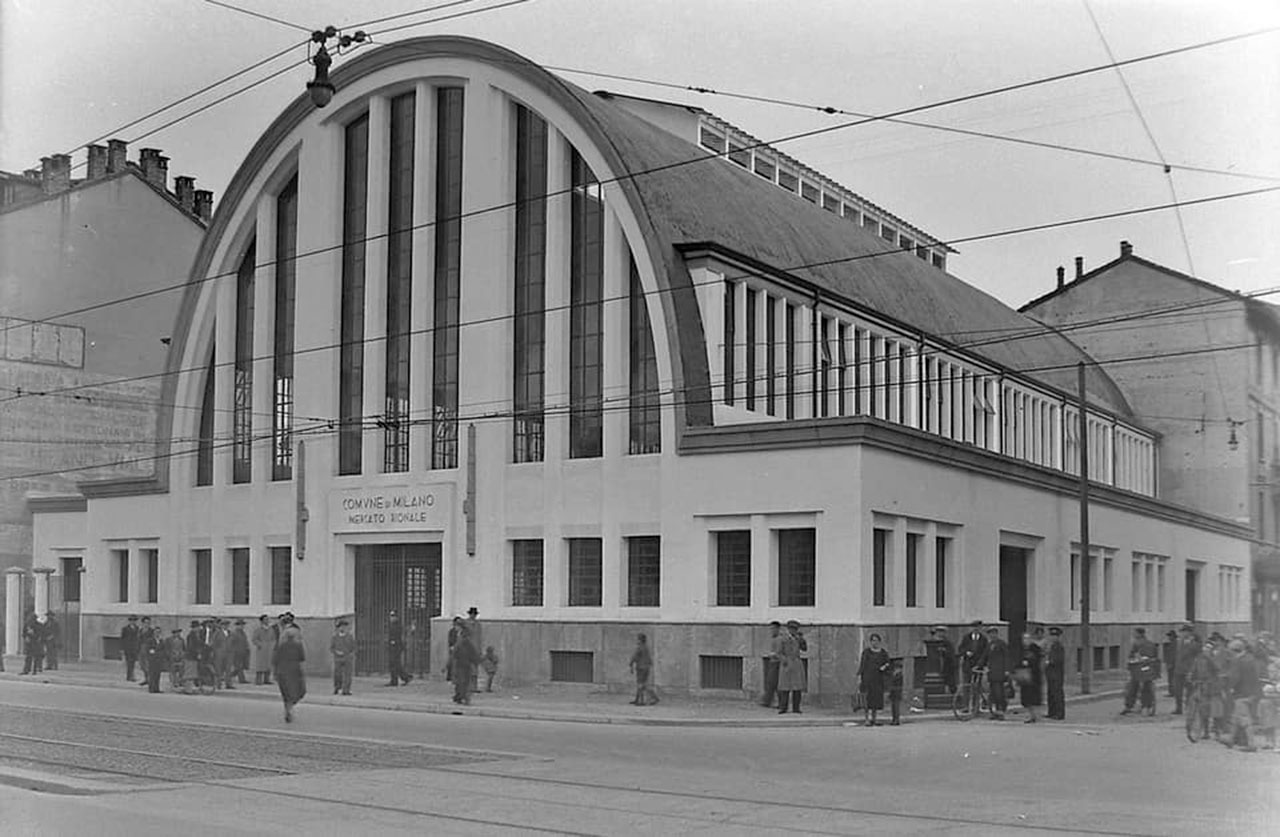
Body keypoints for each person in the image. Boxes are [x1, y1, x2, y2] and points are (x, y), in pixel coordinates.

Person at [1223, 638, 1263, 750]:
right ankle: (1231, 738)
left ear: (1235, 651)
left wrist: (1229, 687)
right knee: (1236, 717)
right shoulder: (1250, 658)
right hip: (1253, 691)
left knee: (1245, 719)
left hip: (1242, 693)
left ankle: (1251, 744)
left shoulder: (1238, 661)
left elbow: (1235, 677)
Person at [272, 619, 307, 723]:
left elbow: (275, 660)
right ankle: (290, 707)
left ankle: (288, 708)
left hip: (282, 672)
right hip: (294, 671)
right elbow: (302, 658)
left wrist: (275, 673)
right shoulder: (298, 645)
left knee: (286, 693)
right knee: (298, 691)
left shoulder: (281, 646)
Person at [1122, 626, 1159, 716]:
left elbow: (1134, 657)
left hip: (1142, 669)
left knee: (1138, 687)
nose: (1133, 635)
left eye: (1135, 633)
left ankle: (1135, 706)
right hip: (1143, 669)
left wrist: (1133, 661)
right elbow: (1154, 656)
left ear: (1139, 634)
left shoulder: (1142, 644)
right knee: (1139, 687)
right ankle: (1140, 706)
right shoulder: (1145, 643)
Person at [856, 633, 891, 726]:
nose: (874, 642)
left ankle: (874, 719)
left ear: (879, 642)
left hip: (878, 679)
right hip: (867, 679)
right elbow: (862, 665)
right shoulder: (866, 652)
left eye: (876, 640)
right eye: (872, 640)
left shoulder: (883, 653)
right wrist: (859, 676)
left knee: (876, 700)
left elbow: (888, 663)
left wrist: (885, 666)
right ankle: (867, 719)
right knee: (867, 700)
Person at [776, 620, 807, 714]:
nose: (793, 631)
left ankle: (796, 708)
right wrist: (783, 660)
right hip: (786, 663)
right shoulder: (783, 639)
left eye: (795, 629)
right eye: (792, 629)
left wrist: (802, 640)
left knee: (797, 687)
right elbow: (778, 652)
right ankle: (783, 707)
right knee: (785, 687)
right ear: (788, 629)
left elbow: (804, 649)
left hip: (796, 663)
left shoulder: (798, 638)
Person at [1172, 623, 1201, 715]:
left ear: (1189, 632)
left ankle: (1189, 707)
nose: (1182, 633)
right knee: (1177, 690)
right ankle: (1179, 708)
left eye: (1184, 631)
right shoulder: (1180, 642)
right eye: (1182, 632)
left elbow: (1197, 654)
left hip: (1190, 669)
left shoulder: (1195, 642)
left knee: (1190, 690)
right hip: (1179, 668)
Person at [1017, 629, 1043, 723]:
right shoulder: (1023, 649)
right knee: (1026, 698)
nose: (1025, 641)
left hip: (1034, 677)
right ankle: (1031, 715)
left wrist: (1028, 662)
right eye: (1024, 639)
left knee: (1033, 697)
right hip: (1025, 677)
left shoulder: (1035, 648)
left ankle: (1035, 716)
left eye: (1027, 638)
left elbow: (1037, 661)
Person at [986, 625, 1010, 720]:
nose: (992, 635)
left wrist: (1007, 670)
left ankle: (1001, 711)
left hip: (1000, 672)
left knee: (999, 692)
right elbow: (985, 657)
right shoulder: (989, 645)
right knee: (993, 693)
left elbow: (1007, 657)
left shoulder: (1002, 644)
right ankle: (995, 711)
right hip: (992, 672)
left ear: (996, 634)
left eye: (994, 633)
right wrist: (978, 665)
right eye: (990, 634)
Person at [450, 626, 479, 705]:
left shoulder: (469, 645)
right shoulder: (459, 645)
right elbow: (454, 656)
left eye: (467, 636)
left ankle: (462, 697)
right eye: (464, 636)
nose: (465, 638)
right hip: (459, 666)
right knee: (461, 682)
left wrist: (475, 662)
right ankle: (461, 697)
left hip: (466, 665)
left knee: (465, 682)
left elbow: (474, 655)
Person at [628, 633, 659, 706]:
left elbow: (634, 656)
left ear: (640, 640)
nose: (636, 640)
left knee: (641, 684)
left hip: (641, 668)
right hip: (646, 667)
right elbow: (649, 659)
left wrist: (631, 664)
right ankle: (639, 699)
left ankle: (642, 701)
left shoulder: (640, 647)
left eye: (638, 639)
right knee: (642, 684)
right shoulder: (646, 647)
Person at [759, 621, 782, 708]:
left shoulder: (779, 639)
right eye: (771, 629)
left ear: (777, 629)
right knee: (771, 683)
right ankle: (767, 700)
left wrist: (772, 654)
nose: (771, 631)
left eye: (773, 629)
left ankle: (775, 702)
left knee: (774, 683)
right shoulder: (774, 639)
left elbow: (779, 652)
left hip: (777, 662)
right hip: (773, 662)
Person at [1045, 626, 1066, 720]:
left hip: (1057, 673)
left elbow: (1059, 659)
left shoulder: (1059, 647)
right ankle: (1051, 712)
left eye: (1055, 636)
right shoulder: (1052, 646)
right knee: (1051, 693)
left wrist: (1050, 661)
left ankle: (1059, 713)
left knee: (1057, 693)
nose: (1053, 637)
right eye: (1052, 635)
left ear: (1058, 637)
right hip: (1050, 673)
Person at [330, 619, 356, 696]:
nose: (343, 628)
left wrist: (351, 654)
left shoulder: (350, 636)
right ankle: (337, 688)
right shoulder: (335, 637)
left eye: (344, 627)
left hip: (347, 658)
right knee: (337, 674)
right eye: (341, 627)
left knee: (348, 674)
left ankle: (346, 690)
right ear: (338, 628)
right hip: (338, 658)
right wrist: (336, 652)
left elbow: (354, 647)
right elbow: (332, 648)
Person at [386, 610, 412, 686]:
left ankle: (402, 678)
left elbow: (398, 636)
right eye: (391, 616)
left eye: (393, 616)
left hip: (396, 647)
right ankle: (401, 678)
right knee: (394, 664)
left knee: (395, 664)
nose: (391, 618)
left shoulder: (397, 625)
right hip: (393, 647)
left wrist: (393, 642)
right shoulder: (392, 625)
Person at [933, 625, 958, 695]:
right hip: (934, 668)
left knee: (950, 683)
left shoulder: (948, 643)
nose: (940, 634)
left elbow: (951, 654)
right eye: (938, 632)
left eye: (942, 632)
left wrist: (944, 651)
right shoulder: (932, 642)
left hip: (947, 667)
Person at [251, 614, 275, 685]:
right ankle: (258, 680)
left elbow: (273, 638)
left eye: (268, 619)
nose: (267, 621)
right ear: (261, 621)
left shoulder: (271, 629)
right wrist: (259, 644)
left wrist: (272, 645)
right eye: (265, 619)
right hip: (261, 649)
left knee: (268, 664)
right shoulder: (258, 630)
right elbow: (254, 639)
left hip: (269, 649)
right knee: (260, 665)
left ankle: (266, 679)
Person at [143, 623, 167, 694]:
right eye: (156, 632)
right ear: (153, 633)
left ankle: (157, 688)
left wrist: (161, 655)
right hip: (152, 660)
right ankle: (151, 688)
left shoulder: (161, 641)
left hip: (159, 660)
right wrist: (153, 653)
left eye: (159, 632)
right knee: (152, 674)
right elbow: (149, 650)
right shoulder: (150, 640)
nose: (157, 634)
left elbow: (163, 649)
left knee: (157, 674)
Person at [182, 619, 204, 693]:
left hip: (193, 656)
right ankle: (188, 689)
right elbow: (191, 646)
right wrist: (197, 653)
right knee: (189, 673)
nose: (198, 629)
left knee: (193, 673)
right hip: (190, 656)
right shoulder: (191, 635)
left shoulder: (197, 635)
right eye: (197, 627)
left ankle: (190, 688)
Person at [20, 611, 45, 675]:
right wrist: (26, 637)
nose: (30, 620)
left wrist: (34, 636)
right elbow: (24, 633)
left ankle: (35, 670)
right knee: (28, 657)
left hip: (36, 643)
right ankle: (26, 670)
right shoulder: (27, 625)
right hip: (29, 643)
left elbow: (40, 634)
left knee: (36, 657)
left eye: (32, 618)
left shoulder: (39, 625)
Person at [465, 607, 482, 692]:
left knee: (475, 669)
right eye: (472, 614)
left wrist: (479, 649)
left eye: (475, 614)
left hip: (476, 649)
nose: (473, 616)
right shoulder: (465, 624)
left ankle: (474, 687)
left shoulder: (478, 625)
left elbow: (479, 638)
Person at [120, 614, 141, 681]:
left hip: (134, 647)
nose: (133, 621)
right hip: (127, 648)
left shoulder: (137, 628)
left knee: (133, 662)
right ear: (129, 621)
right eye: (131, 620)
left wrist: (138, 647)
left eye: (134, 620)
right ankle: (130, 676)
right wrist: (122, 648)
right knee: (129, 662)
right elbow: (122, 639)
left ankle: (130, 675)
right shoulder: (125, 629)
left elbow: (138, 638)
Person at [231, 619, 251, 684]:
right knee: (239, 666)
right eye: (240, 625)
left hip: (243, 651)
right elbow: (232, 643)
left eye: (243, 625)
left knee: (240, 666)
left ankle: (230, 675)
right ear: (237, 626)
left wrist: (247, 648)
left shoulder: (243, 633)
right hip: (237, 652)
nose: (242, 626)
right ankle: (241, 679)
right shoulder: (234, 633)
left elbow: (245, 641)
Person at [444, 616, 463, 682]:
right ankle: (450, 677)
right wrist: (452, 646)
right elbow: (451, 640)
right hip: (454, 649)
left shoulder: (463, 631)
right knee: (451, 663)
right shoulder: (452, 631)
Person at [887, 658, 905, 726]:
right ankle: (894, 719)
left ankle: (896, 719)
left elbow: (897, 683)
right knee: (893, 706)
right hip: (893, 691)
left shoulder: (899, 675)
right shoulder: (894, 674)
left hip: (897, 691)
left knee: (896, 706)